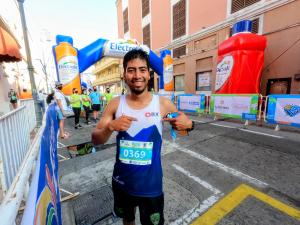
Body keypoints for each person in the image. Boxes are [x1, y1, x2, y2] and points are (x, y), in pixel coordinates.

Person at [92, 49, 194, 225]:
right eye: (131, 70)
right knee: (127, 220)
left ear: (148, 73)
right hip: (122, 182)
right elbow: (96, 139)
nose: (137, 75)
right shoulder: (116, 103)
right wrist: (110, 126)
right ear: (124, 74)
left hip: (151, 186)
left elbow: (183, 126)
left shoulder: (163, 104)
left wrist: (190, 125)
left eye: (142, 69)